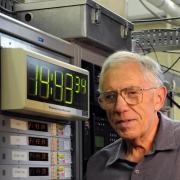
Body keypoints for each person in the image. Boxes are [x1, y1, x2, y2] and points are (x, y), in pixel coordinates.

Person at [86, 51, 180, 180]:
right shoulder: (97, 166)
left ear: (159, 98)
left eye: (132, 93)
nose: (119, 107)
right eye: (110, 96)